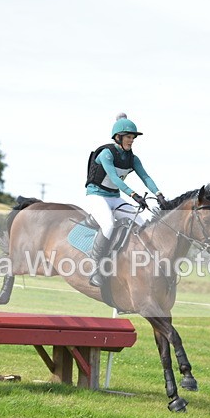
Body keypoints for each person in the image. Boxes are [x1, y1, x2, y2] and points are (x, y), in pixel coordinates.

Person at [85, 113, 169, 287]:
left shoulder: (132, 158)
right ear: (118, 137)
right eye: (129, 137)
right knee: (108, 224)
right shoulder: (106, 154)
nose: (131, 140)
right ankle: (95, 268)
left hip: (114, 198)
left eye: (133, 138)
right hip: (96, 196)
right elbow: (114, 178)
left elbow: (145, 177)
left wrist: (159, 194)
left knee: (143, 222)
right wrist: (133, 195)